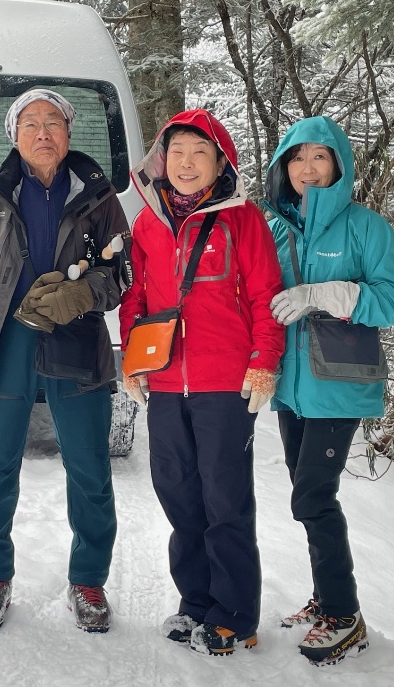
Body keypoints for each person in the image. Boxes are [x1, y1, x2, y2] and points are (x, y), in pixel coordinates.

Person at [0, 89, 129, 633]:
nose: (43, 132)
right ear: (15, 134)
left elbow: (122, 273)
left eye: (53, 122)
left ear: (69, 133)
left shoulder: (98, 194)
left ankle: (88, 580)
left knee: (90, 468)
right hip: (4, 344)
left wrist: (86, 292)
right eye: (31, 123)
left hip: (76, 342)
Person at [118, 110, 285, 656]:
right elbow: (136, 297)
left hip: (224, 383)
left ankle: (235, 615)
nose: (186, 163)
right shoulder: (148, 222)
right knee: (179, 494)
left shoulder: (243, 219)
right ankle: (196, 603)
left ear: (220, 162)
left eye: (199, 152)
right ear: (161, 160)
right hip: (167, 383)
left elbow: (264, 294)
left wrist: (264, 359)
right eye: (177, 152)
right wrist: (133, 360)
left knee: (224, 498)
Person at [262, 115, 394, 665]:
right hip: (292, 388)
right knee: (307, 495)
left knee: (313, 498)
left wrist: (321, 294)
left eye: (319, 156)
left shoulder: (367, 228)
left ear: (338, 166)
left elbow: (389, 302)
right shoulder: (275, 229)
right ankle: (326, 599)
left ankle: (345, 616)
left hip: (339, 386)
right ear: (284, 167)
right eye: (297, 157)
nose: (308, 167)